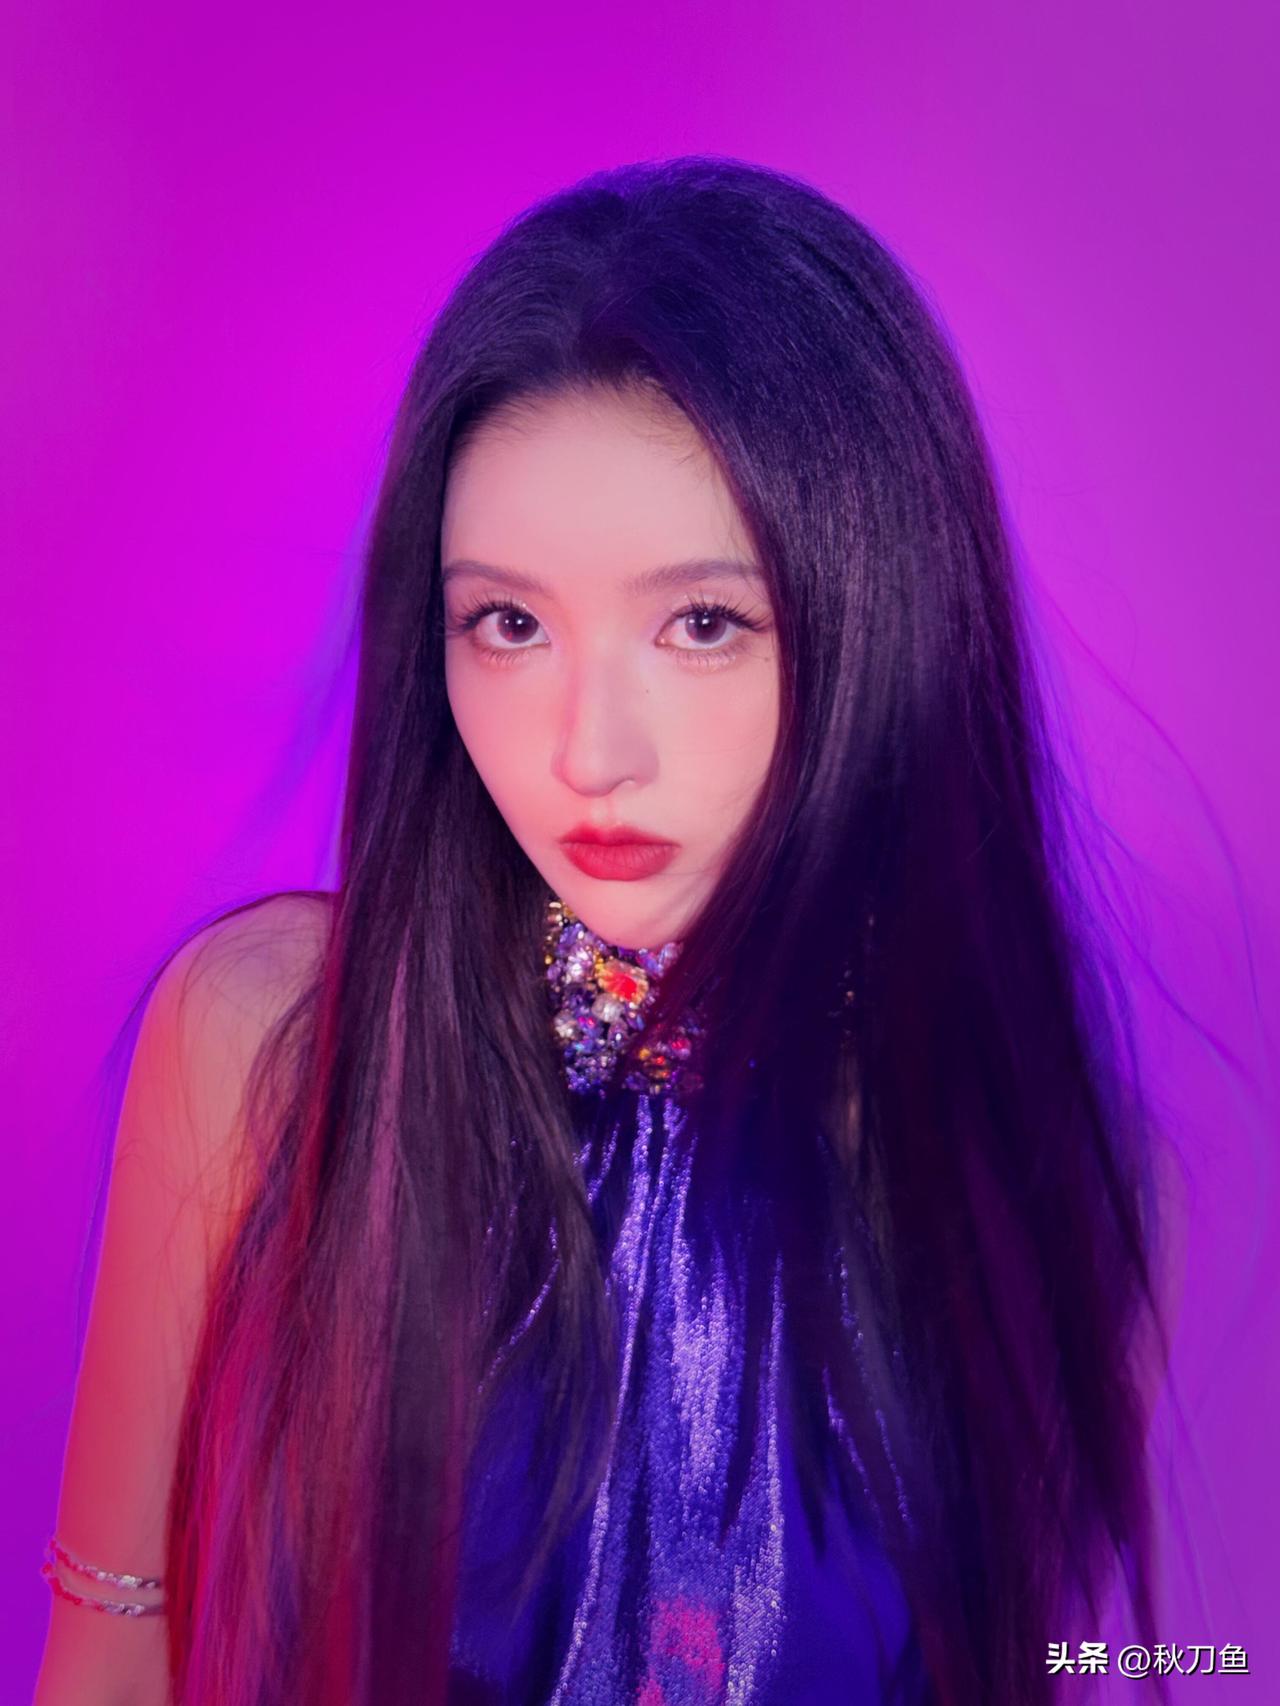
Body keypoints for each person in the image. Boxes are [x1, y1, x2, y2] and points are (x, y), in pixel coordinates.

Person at [34, 156, 1179, 1705]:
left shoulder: (1044, 1165)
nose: (588, 752)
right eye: (508, 623)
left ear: (885, 620)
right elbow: (114, 1634)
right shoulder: (272, 1040)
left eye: (702, 623)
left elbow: (1061, 1663)